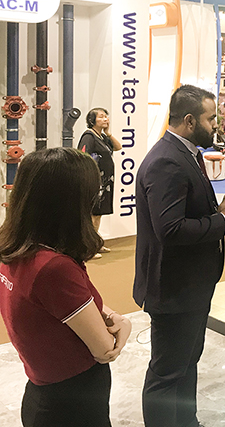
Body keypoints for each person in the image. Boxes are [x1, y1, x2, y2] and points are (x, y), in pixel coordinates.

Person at [134, 84, 225, 427]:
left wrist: (214, 215)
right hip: (174, 289)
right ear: (189, 121)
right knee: (167, 373)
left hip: (189, 287)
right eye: (211, 119)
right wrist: (222, 222)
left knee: (185, 364)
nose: (216, 126)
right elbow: (170, 230)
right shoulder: (167, 161)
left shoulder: (184, 153)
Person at [0, 147, 132, 427]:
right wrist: (124, 324)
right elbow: (104, 349)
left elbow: (57, 304)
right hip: (73, 402)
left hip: (43, 395)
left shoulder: (15, 249)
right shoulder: (53, 268)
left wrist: (109, 314)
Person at [77, 107, 122, 256]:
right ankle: (88, 246)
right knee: (93, 213)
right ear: (92, 120)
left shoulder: (102, 137)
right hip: (94, 180)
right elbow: (82, 155)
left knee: (99, 212)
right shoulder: (88, 136)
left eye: (106, 116)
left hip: (105, 181)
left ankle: (95, 243)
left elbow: (118, 147)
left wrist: (108, 133)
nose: (105, 119)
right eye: (101, 116)